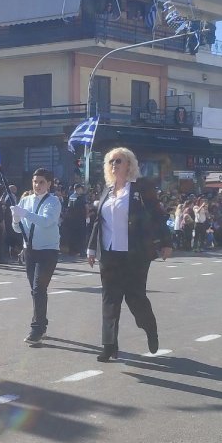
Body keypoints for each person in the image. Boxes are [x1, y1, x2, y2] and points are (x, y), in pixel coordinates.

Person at [86, 148, 171, 362]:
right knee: (109, 300)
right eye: (111, 162)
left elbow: (158, 216)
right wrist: (91, 248)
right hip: (110, 253)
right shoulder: (106, 190)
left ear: (129, 165)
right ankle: (109, 345)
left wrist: (166, 243)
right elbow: (98, 221)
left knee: (135, 298)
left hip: (135, 253)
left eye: (119, 161)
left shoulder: (141, 189)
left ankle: (150, 329)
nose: (114, 165)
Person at [12, 168, 63, 346]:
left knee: (39, 288)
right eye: (35, 182)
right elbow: (18, 229)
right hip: (30, 250)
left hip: (47, 250)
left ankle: (37, 328)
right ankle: (42, 323)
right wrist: (16, 219)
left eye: (41, 182)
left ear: (49, 183)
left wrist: (24, 214)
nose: (37, 185)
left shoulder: (54, 201)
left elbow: (46, 221)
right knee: (35, 290)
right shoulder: (25, 200)